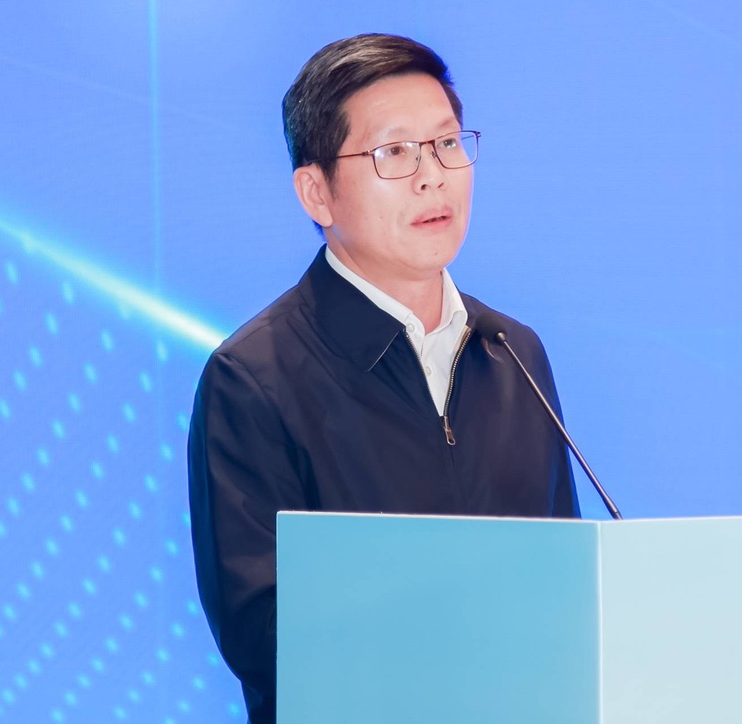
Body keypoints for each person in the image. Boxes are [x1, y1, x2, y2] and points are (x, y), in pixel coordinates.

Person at [187, 33, 579, 724]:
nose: (433, 176)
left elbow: (568, 587)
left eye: (447, 143)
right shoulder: (253, 379)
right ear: (317, 193)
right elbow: (265, 638)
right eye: (394, 153)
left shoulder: (512, 353)